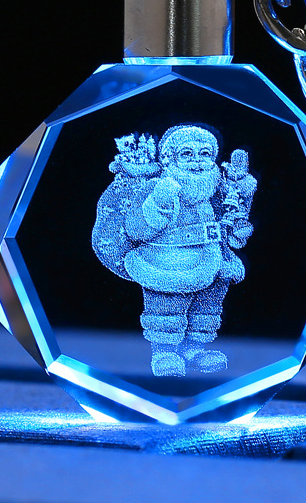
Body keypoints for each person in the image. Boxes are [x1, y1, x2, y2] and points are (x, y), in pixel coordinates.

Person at [94, 124, 257, 377]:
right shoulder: (156, 187)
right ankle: (165, 352)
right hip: (167, 261)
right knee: (167, 309)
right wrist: (160, 202)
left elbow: (229, 216)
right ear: (170, 158)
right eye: (187, 154)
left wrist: (238, 212)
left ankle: (194, 350)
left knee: (206, 309)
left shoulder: (213, 188)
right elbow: (136, 228)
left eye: (205, 154)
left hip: (212, 257)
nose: (197, 161)